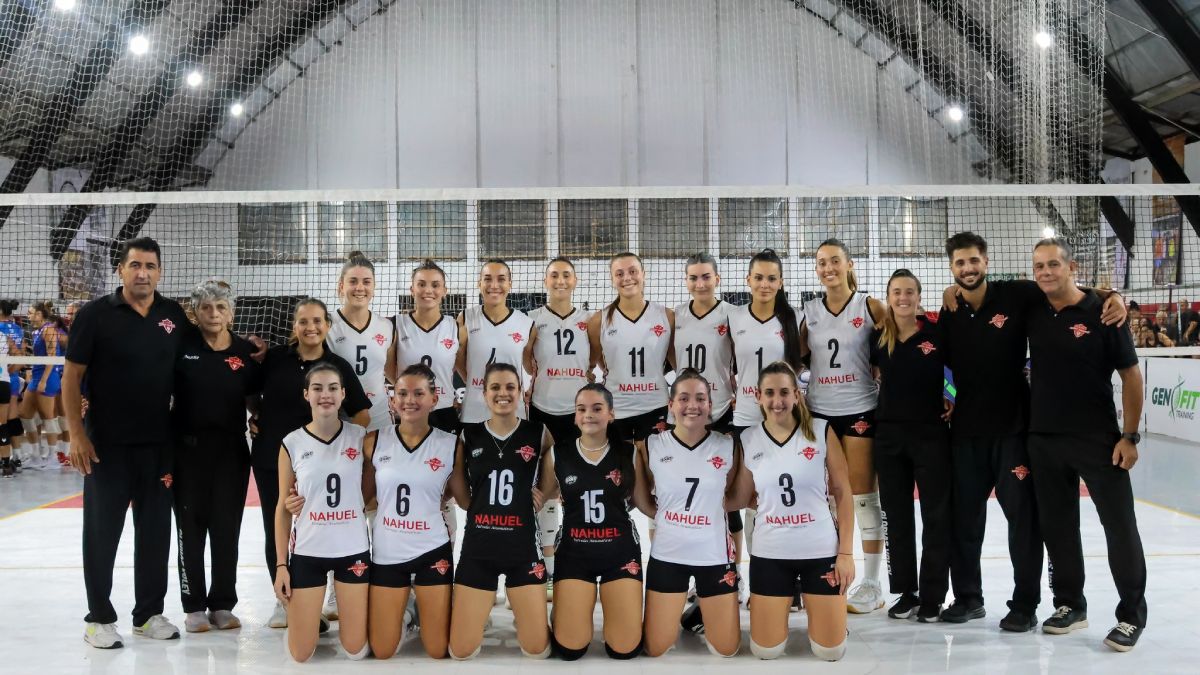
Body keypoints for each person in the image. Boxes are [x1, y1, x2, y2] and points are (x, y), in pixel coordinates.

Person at [938, 231, 1125, 630]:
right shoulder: (949, 311)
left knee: (1024, 523)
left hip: (1014, 432)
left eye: (973, 260)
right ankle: (968, 597)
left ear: (985, 261)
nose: (968, 269)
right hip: (966, 433)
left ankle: (1025, 605)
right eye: (959, 263)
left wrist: (1111, 295)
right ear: (952, 269)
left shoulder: (1017, 294)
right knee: (965, 521)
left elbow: (1065, 288)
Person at [64, 237, 192, 648]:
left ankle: (148, 613)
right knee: (102, 534)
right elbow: (71, 377)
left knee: (155, 532)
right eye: (135, 265)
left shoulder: (173, 315)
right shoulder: (95, 315)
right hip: (106, 446)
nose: (143, 273)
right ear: (120, 270)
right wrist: (77, 434)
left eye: (150, 266)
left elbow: (199, 361)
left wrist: (250, 353)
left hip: (159, 446)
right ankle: (98, 618)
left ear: (160, 271)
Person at [1025, 238, 1147, 652]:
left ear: (1071, 266)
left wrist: (1129, 436)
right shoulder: (1033, 308)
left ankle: (1131, 616)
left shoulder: (1103, 312)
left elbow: (1131, 376)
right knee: (1058, 529)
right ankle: (1070, 605)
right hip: (1043, 439)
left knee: (1119, 527)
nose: (1045, 272)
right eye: (1039, 266)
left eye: (1053, 265)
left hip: (1098, 438)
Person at [251, 298, 372, 628]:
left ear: (328, 326)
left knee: (327, 525)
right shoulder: (274, 359)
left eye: (317, 321)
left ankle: (333, 592)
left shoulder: (338, 365)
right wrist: (254, 416)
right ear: (294, 325)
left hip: (322, 468)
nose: (310, 327)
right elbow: (249, 390)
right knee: (277, 522)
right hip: (272, 457)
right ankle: (285, 599)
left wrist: (344, 448)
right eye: (303, 321)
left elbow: (362, 411)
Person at [729, 361, 854, 660]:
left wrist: (846, 554)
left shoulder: (821, 431)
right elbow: (740, 497)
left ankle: (828, 619)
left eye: (785, 392)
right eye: (769, 393)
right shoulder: (748, 439)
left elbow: (843, 492)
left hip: (820, 551)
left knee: (830, 652)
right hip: (770, 554)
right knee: (765, 651)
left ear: (797, 395)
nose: (777, 401)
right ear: (758, 396)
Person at [800, 238, 886, 614]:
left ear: (849, 264)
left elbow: (895, 345)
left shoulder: (869, 306)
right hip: (819, 413)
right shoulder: (809, 312)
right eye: (821, 263)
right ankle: (824, 569)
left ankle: (871, 582)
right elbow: (797, 359)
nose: (828, 268)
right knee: (828, 495)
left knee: (863, 496)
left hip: (860, 408)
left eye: (835, 261)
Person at [446, 362, 553, 660]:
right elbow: (461, 491)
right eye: (495, 387)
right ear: (483, 393)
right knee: (461, 651)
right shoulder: (469, 435)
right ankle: (478, 611)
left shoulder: (539, 432)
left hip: (523, 550)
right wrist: (475, 506)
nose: (502, 393)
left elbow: (556, 470)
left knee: (537, 650)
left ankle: (527, 613)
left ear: (521, 393)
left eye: (510, 387)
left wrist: (542, 495)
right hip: (479, 549)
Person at [171, 280, 260, 633]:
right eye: (206, 307)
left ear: (231, 312)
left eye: (221, 307)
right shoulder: (182, 347)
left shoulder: (245, 352)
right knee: (189, 529)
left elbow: (255, 399)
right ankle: (193, 605)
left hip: (231, 453)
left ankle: (223, 603)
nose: (213, 313)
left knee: (226, 529)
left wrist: (259, 418)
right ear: (194, 312)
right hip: (188, 452)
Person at [537, 384, 648, 660]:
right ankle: (565, 608)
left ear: (611, 414)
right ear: (574, 416)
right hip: (575, 552)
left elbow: (644, 503)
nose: (589, 415)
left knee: (624, 649)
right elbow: (543, 495)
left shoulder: (629, 453)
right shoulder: (557, 455)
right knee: (570, 649)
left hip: (619, 551)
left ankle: (622, 614)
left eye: (597, 408)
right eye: (581, 409)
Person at [637, 370, 740, 658]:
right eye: (683, 398)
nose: (692, 405)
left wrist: (709, 514)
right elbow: (643, 498)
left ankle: (699, 608)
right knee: (655, 648)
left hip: (714, 556)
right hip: (668, 555)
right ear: (671, 405)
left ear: (710, 405)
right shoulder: (652, 445)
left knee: (726, 650)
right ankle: (683, 604)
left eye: (700, 398)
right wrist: (665, 517)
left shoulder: (728, 445)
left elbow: (734, 496)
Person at [869, 270, 952, 622]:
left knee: (936, 516)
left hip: (931, 436)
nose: (903, 298)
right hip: (888, 438)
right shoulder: (877, 337)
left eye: (909, 292)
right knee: (896, 517)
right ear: (889, 297)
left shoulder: (936, 333)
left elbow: (960, 373)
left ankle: (933, 595)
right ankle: (907, 591)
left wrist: (952, 397)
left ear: (919, 297)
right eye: (897, 292)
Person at [273, 364, 371, 662]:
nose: (324, 395)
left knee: (355, 650)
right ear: (306, 394)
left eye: (332, 388)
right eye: (317, 388)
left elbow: (372, 492)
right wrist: (280, 566)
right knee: (301, 654)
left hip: (352, 550)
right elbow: (282, 507)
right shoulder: (291, 443)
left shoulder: (361, 437)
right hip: (308, 552)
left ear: (343, 394)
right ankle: (308, 615)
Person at [323, 251, 398, 621]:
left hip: (380, 423)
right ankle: (338, 588)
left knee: (376, 501)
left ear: (374, 287)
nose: (359, 287)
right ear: (340, 286)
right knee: (342, 503)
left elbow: (395, 371)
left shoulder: (386, 326)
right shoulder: (327, 326)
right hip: (339, 425)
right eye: (353, 281)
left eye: (366, 281)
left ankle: (381, 577)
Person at [525, 256, 592, 599]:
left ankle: (576, 562)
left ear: (575, 280)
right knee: (545, 489)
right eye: (554, 275)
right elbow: (525, 358)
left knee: (574, 490)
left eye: (567, 275)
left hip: (577, 415)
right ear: (545, 280)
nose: (561, 280)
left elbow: (595, 359)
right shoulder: (533, 320)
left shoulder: (588, 320)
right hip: (543, 410)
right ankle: (548, 571)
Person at [588, 251, 674, 443]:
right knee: (620, 470)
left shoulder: (666, 316)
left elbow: (678, 364)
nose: (627, 278)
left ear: (643, 273)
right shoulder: (598, 321)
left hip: (656, 405)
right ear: (612, 279)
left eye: (633, 271)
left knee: (653, 469)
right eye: (619, 274)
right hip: (616, 407)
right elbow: (593, 364)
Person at [456, 259, 534, 425]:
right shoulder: (465, 318)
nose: (494, 285)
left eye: (501, 279)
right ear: (479, 283)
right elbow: (458, 359)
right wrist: (474, 381)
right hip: (474, 411)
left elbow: (531, 364)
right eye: (488, 279)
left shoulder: (526, 323)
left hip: (513, 411)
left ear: (510, 284)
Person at [396, 259, 461, 434]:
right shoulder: (397, 325)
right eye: (421, 284)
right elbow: (389, 368)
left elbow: (460, 365)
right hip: (408, 410)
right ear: (412, 290)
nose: (428, 290)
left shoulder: (455, 326)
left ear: (444, 291)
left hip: (444, 410)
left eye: (435, 285)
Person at [19, 301, 68, 469]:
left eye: (31, 312)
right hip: (36, 376)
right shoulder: (36, 331)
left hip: (48, 378)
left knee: (49, 418)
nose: (28, 315)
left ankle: (53, 457)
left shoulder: (49, 330)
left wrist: (44, 380)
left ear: (39, 314)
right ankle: (35, 454)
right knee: (25, 415)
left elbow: (52, 358)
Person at [0, 299, 24, 473]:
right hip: (11, 378)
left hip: (4, 376)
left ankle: (6, 460)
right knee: (13, 418)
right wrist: (10, 370)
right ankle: (17, 457)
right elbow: (21, 356)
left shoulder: (1, 330)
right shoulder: (17, 329)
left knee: (3, 422)